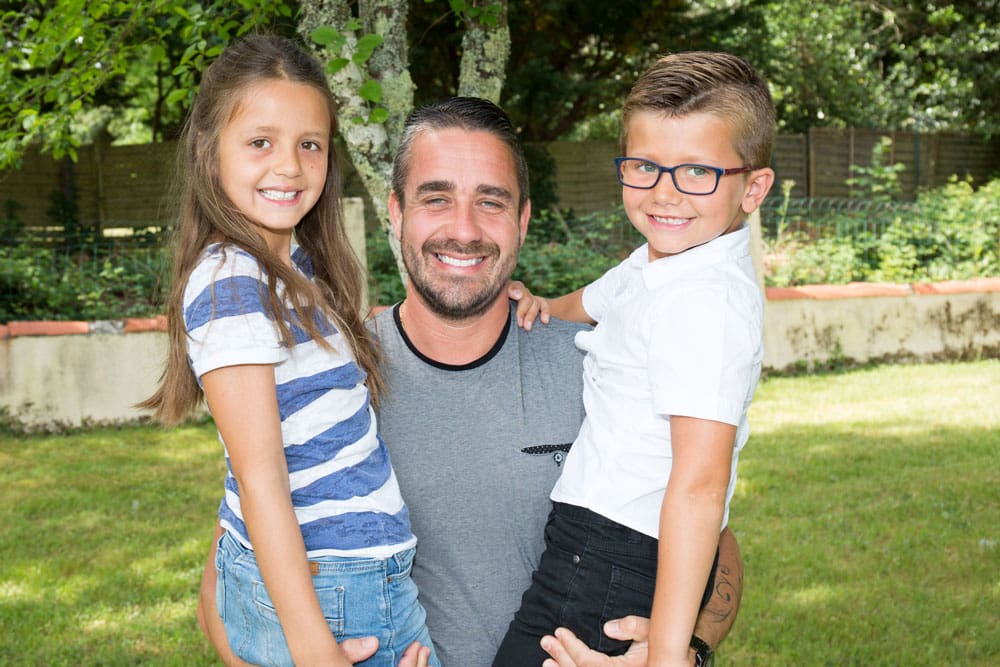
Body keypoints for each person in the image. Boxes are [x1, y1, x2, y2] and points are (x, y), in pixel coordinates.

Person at [199, 96, 745, 667]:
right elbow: (226, 572)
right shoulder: (328, 373)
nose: (464, 230)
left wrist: (688, 647)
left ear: (522, 221)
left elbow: (715, 538)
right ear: (396, 212)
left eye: (491, 202)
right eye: (436, 199)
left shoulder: (595, 366)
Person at [142, 34, 437, 667]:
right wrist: (316, 652)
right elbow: (261, 480)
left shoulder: (291, 266)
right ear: (208, 150)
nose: (290, 166)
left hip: (347, 583)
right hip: (334, 593)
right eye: (260, 142)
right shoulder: (232, 281)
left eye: (310, 144)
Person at [493, 52, 776, 667]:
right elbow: (588, 305)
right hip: (593, 544)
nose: (664, 193)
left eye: (696, 172)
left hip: (618, 557)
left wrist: (668, 655)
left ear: (752, 188)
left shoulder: (708, 302)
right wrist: (535, 303)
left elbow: (701, 486)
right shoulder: (659, 263)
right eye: (644, 167)